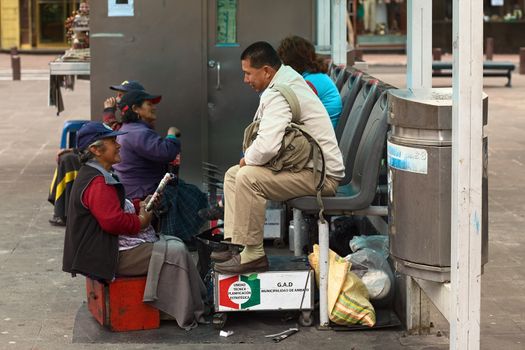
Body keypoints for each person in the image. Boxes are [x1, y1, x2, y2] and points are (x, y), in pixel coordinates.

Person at [213, 41, 345, 274]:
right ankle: (238, 244)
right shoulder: (287, 79)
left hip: (321, 177)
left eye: (248, 74)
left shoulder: (278, 93)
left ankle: (254, 255)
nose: (246, 80)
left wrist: (247, 159)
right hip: (310, 169)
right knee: (234, 175)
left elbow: (266, 147)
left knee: (247, 176)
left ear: (266, 71)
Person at [62, 122, 206, 330]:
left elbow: (116, 208)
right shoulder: (97, 182)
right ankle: (184, 309)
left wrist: (141, 205)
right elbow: (113, 222)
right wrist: (141, 221)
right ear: (95, 150)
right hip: (108, 256)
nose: (118, 145)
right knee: (175, 251)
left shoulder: (99, 175)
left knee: (174, 243)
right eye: (112, 141)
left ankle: (191, 302)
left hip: (108, 248)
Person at [47, 80, 145, 226]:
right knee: (66, 158)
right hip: (105, 155)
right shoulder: (125, 117)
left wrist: (108, 111)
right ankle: (61, 211)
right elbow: (102, 141)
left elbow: (112, 136)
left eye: (121, 95)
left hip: (118, 165)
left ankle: (62, 212)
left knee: (69, 161)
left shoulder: (134, 120)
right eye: (117, 94)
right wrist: (74, 150)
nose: (117, 98)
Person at [114, 90, 206, 242]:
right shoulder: (139, 133)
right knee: (193, 195)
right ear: (136, 109)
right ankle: (178, 239)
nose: (154, 107)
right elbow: (166, 152)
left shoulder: (128, 129)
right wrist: (172, 134)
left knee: (186, 190)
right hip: (142, 192)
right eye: (149, 104)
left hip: (132, 188)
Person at [277, 35, 342, 129]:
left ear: (293, 63)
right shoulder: (314, 76)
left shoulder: (309, 83)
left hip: (319, 138)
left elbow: (292, 113)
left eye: (284, 63)